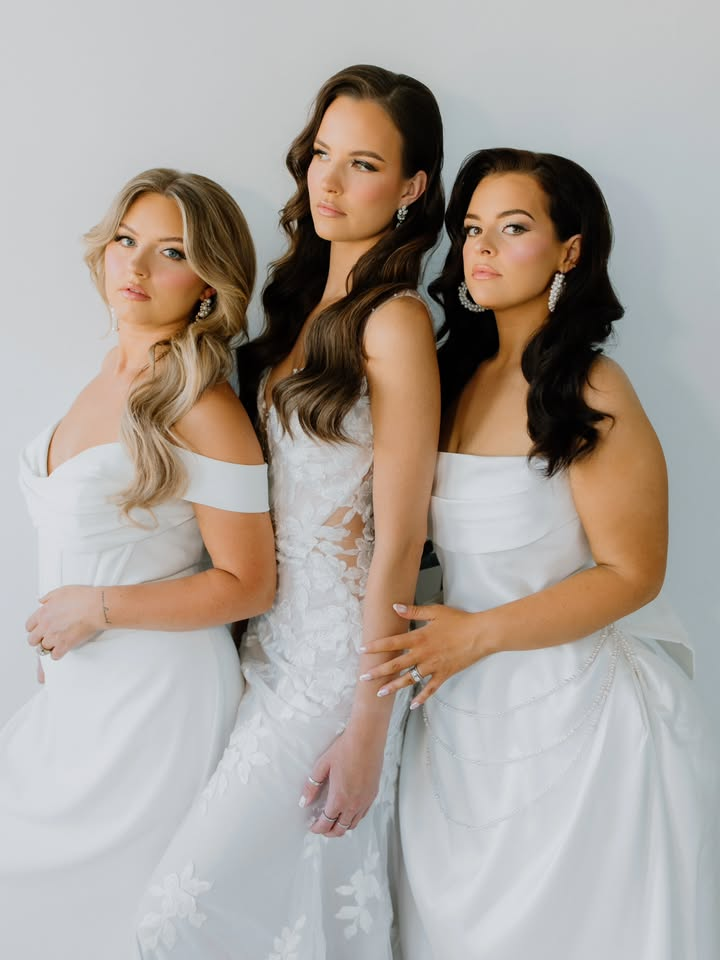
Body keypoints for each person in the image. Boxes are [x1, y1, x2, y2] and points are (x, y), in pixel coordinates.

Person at [360, 148, 720, 959]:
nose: (481, 248)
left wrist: (475, 634)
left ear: (571, 250)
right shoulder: (451, 375)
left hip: (583, 723)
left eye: (513, 228)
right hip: (455, 716)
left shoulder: (590, 388)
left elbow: (634, 573)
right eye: (472, 229)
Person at [135, 64, 444, 958]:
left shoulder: (395, 323)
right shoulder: (297, 302)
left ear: (413, 187)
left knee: (179, 913)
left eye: (364, 164)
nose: (330, 181)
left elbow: (402, 539)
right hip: (263, 651)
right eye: (322, 155)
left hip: (337, 673)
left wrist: (366, 729)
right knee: (289, 919)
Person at [0, 168, 276, 960]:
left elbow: (250, 582)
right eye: (127, 240)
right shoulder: (103, 378)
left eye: (170, 252)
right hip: (76, 695)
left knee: (108, 916)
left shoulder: (202, 407)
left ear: (207, 285)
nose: (136, 266)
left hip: (155, 702)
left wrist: (99, 606)